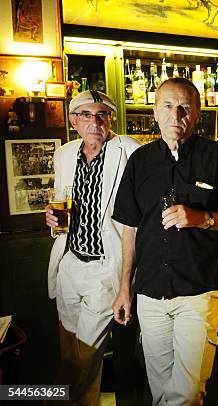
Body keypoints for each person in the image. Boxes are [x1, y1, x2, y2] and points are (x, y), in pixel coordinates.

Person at [111, 77, 218, 405]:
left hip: (199, 290)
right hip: (150, 293)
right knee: (161, 390)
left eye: (185, 107)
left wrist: (204, 218)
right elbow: (129, 229)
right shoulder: (140, 162)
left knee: (187, 393)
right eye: (168, 106)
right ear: (155, 113)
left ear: (197, 113)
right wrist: (123, 289)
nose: (177, 114)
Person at [45, 90, 141, 404]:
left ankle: (49, 398)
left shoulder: (128, 150)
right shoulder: (64, 154)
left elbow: (140, 212)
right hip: (69, 262)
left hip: (105, 266)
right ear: (74, 120)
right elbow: (61, 203)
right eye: (86, 115)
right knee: (70, 349)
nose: (95, 122)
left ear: (111, 119)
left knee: (86, 352)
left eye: (102, 115)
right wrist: (51, 217)